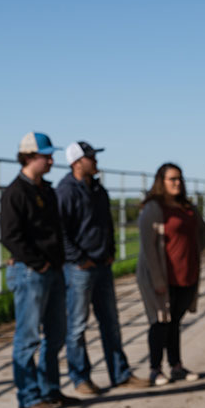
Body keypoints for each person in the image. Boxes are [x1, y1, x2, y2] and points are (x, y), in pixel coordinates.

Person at [57, 141, 149, 393]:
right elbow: (61, 231)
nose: (95, 161)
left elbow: (106, 224)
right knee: (77, 325)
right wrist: (78, 258)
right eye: (90, 157)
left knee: (111, 322)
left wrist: (110, 252)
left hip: (101, 264)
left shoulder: (98, 189)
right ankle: (80, 378)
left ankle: (120, 373)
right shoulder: (65, 191)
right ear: (77, 162)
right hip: (80, 268)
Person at [1, 132, 80, 408]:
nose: (51, 160)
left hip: (53, 271)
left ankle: (50, 390)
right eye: (45, 156)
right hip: (31, 273)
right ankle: (30, 396)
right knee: (28, 337)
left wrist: (55, 263)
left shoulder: (45, 190)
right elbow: (10, 236)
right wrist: (39, 263)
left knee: (57, 333)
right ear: (28, 157)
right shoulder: (15, 193)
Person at [137, 163, 205, 386]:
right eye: (172, 179)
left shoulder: (187, 207)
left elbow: (203, 233)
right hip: (160, 277)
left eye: (179, 178)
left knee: (174, 322)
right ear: (162, 182)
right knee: (159, 322)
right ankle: (155, 369)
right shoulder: (153, 209)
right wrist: (158, 280)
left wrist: (193, 253)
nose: (178, 183)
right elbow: (148, 248)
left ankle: (176, 366)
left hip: (186, 275)